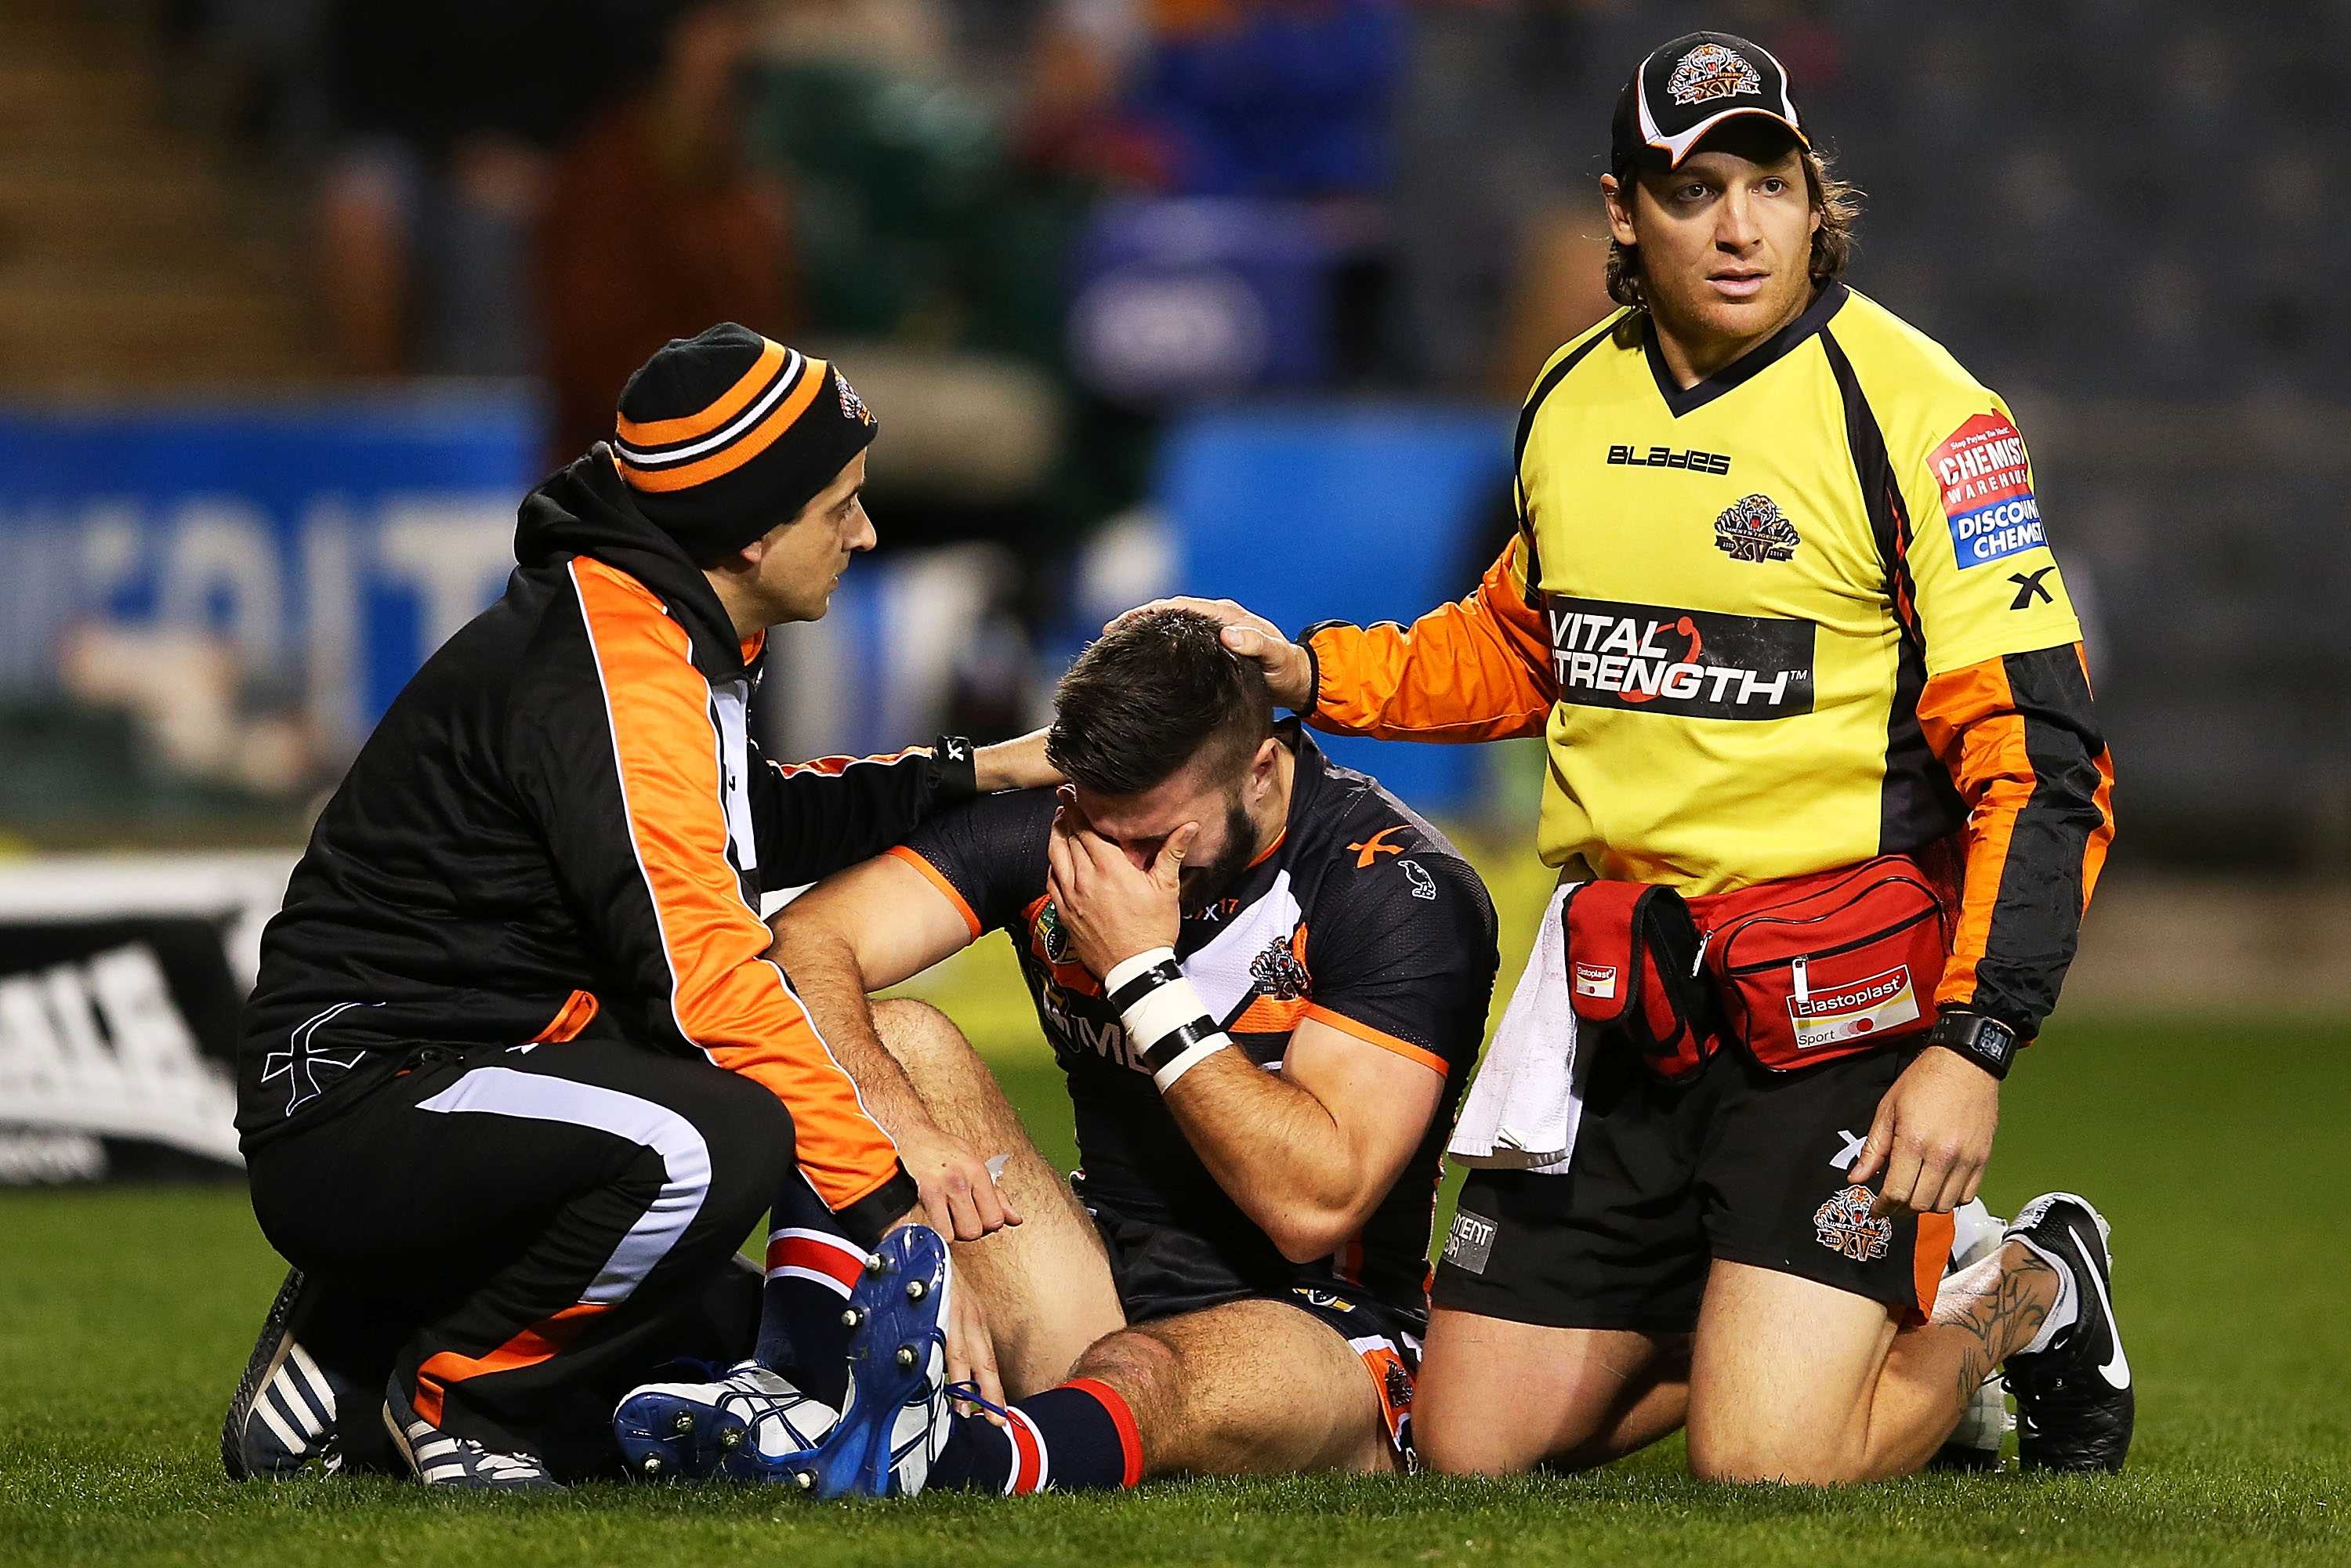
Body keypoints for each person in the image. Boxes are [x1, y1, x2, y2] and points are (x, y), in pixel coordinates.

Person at [1141, 32, 2128, 1483]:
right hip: (1624, 1001)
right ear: (1624, 211)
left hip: (1836, 1005)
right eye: (1695, 190)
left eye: (1770, 184)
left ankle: (2023, 1291)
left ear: (1813, 197)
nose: (1738, 226)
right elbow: (1526, 648)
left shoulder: (1925, 417)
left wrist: (1973, 1046)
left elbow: (2043, 769)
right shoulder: (1569, 399)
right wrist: (1310, 668)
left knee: (1767, 1470)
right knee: (1471, 1453)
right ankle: (1778, 1317)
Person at [219, 323, 1049, 1488]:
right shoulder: (620, 669)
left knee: (729, 1336)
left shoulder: (647, 619)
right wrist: (885, 1198)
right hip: (373, 1098)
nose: (864, 532)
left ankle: (344, 1359)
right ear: (755, 531)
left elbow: (739, 821)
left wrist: (978, 771)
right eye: (841, 505)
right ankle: (455, 1399)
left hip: (436, 1082)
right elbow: (707, 973)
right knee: (714, 1143)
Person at [621, 607, 1498, 1492]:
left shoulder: (1397, 891)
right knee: (890, 1038)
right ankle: (794, 1389)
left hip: (1316, 1331)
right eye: (1095, 828)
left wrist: (1141, 975)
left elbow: (1313, 1202)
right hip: (1091, 1273)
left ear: (1261, 770)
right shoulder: (1077, 824)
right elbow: (807, 944)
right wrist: (896, 1169)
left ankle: (952, 1459)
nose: (1118, 869)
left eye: (1158, 843)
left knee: (1154, 1372)